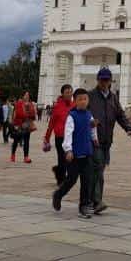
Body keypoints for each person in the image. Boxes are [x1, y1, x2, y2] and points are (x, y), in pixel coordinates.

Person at [88, 67, 131, 214]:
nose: (104, 82)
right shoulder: (90, 96)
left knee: (98, 170)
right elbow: (81, 113)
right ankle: (97, 201)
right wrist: (89, 123)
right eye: (102, 80)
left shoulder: (113, 97)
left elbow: (120, 115)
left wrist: (128, 128)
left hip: (107, 140)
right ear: (98, 80)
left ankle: (90, 199)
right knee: (98, 169)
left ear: (110, 81)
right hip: (94, 139)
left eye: (107, 80)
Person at [52, 88, 97, 218]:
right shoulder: (72, 116)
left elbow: (92, 129)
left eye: (85, 99)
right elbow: (68, 134)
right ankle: (58, 194)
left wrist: (95, 140)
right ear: (75, 101)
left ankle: (83, 206)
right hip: (75, 155)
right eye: (80, 99)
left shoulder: (89, 115)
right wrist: (68, 150)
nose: (83, 101)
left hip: (87, 153)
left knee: (87, 181)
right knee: (71, 180)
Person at [44, 84, 73, 184]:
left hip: (70, 137)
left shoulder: (74, 105)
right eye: (67, 92)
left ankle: (60, 172)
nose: (69, 94)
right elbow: (51, 123)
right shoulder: (57, 107)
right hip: (60, 137)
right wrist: (47, 138)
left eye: (70, 92)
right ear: (62, 94)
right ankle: (61, 179)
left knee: (69, 158)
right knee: (62, 158)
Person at [11, 91, 36, 163]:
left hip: (28, 125)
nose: (27, 96)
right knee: (16, 140)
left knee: (27, 141)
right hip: (20, 125)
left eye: (28, 95)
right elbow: (18, 114)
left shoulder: (31, 104)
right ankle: (13, 154)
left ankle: (26, 157)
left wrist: (31, 115)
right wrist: (26, 114)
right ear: (23, 96)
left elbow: (33, 115)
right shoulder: (19, 103)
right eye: (26, 95)